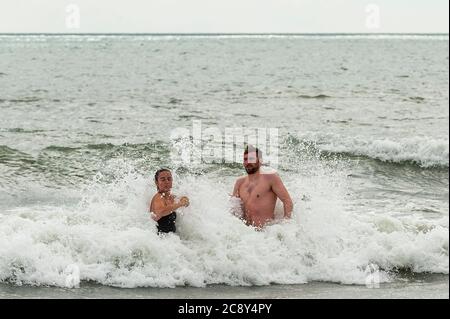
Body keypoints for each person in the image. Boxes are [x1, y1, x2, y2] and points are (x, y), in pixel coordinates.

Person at [232, 145, 293, 228]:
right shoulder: (239, 182)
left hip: (265, 234)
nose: (247, 162)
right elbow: (234, 208)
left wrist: (287, 225)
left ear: (260, 161)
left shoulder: (271, 178)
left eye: (251, 159)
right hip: (245, 233)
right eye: (245, 159)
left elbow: (287, 201)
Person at [149, 168, 190, 234]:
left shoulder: (170, 197)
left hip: (171, 240)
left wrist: (184, 199)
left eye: (169, 179)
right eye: (163, 179)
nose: (167, 182)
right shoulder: (158, 197)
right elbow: (162, 211)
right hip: (159, 240)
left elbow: (185, 200)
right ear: (157, 182)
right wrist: (180, 204)